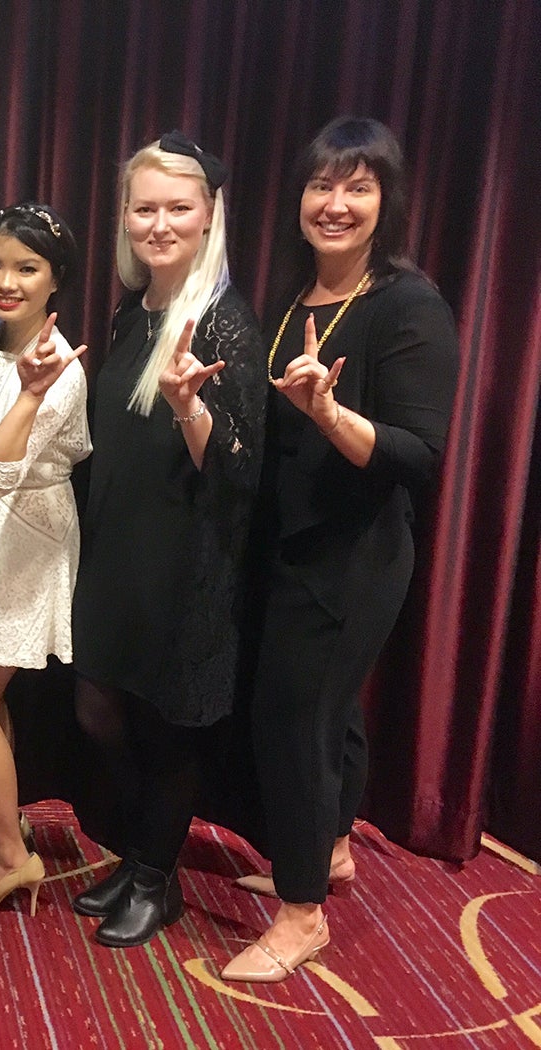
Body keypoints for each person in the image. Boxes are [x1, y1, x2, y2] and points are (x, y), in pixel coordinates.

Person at [220, 117, 458, 982]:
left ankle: (301, 912)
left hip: (353, 558)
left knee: (296, 719)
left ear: (386, 201)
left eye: (358, 187)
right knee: (331, 712)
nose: (336, 204)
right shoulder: (292, 298)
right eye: (323, 185)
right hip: (289, 545)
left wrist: (329, 412)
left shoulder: (409, 306)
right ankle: (330, 849)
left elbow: (418, 456)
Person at [69, 134, 265, 947]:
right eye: (144, 207)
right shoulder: (131, 310)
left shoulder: (225, 324)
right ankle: (142, 855)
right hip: (117, 556)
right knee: (99, 712)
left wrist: (189, 405)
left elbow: (239, 470)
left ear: (210, 215)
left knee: (167, 724)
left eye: (177, 208)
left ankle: (155, 878)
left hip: (189, 564)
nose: (159, 223)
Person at [0, 204, 90, 918]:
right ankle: (8, 832)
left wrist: (34, 391)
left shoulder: (60, 368)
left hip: (26, 533)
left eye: (26, 268)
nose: (6, 281)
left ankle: (8, 855)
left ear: (55, 279)